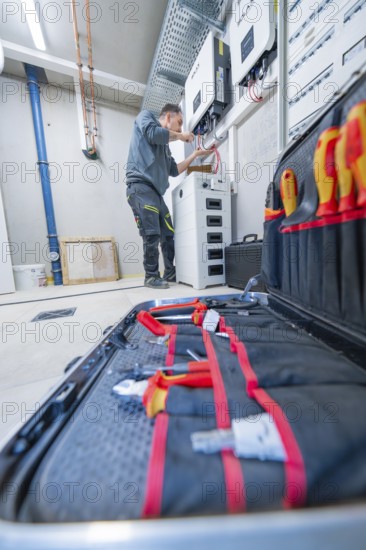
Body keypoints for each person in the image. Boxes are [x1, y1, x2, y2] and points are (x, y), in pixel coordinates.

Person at [125, 103, 211, 288]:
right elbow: (153, 134)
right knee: (152, 233)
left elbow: (174, 170)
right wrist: (180, 136)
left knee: (168, 233)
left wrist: (194, 155)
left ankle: (169, 273)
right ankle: (150, 275)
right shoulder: (145, 116)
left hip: (155, 193)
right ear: (168, 117)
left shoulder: (165, 149)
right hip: (140, 187)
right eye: (179, 122)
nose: (180, 128)